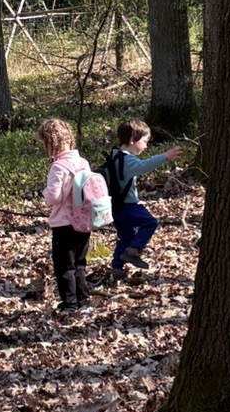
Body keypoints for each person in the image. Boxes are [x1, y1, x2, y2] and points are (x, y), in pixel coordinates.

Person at [102, 118, 181, 282]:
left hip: (115, 207)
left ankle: (116, 268)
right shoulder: (127, 160)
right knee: (150, 223)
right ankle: (133, 251)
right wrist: (165, 157)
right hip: (128, 206)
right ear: (132, 139)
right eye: (144, 141)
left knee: (125, 235)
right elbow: (144, 166)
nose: (146, 146)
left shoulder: (114, 155)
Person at [38, 118, 93, 315]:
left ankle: (69, 304)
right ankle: (83, 300)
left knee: (64, 265)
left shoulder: (58, 167)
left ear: (50, 143)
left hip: (63, 223)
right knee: (80, 263)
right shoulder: (83, 163)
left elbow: (54, 196)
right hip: (84, 221)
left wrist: (44, 193)